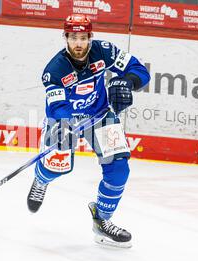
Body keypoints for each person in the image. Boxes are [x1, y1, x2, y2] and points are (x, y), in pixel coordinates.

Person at [27, 14, 150, 248]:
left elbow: (139, 69)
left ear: (90, 37)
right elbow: (57, 105)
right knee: (57, 167)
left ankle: (102, 221)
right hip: (63, 121)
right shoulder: (54, 69)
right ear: (65, 38)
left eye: (83, 37)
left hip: (100, 116)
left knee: (119, 168)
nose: (79, 43)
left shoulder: (104, 51)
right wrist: (66, 124)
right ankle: (41, 180)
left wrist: (128, 82)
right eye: (73, 37)